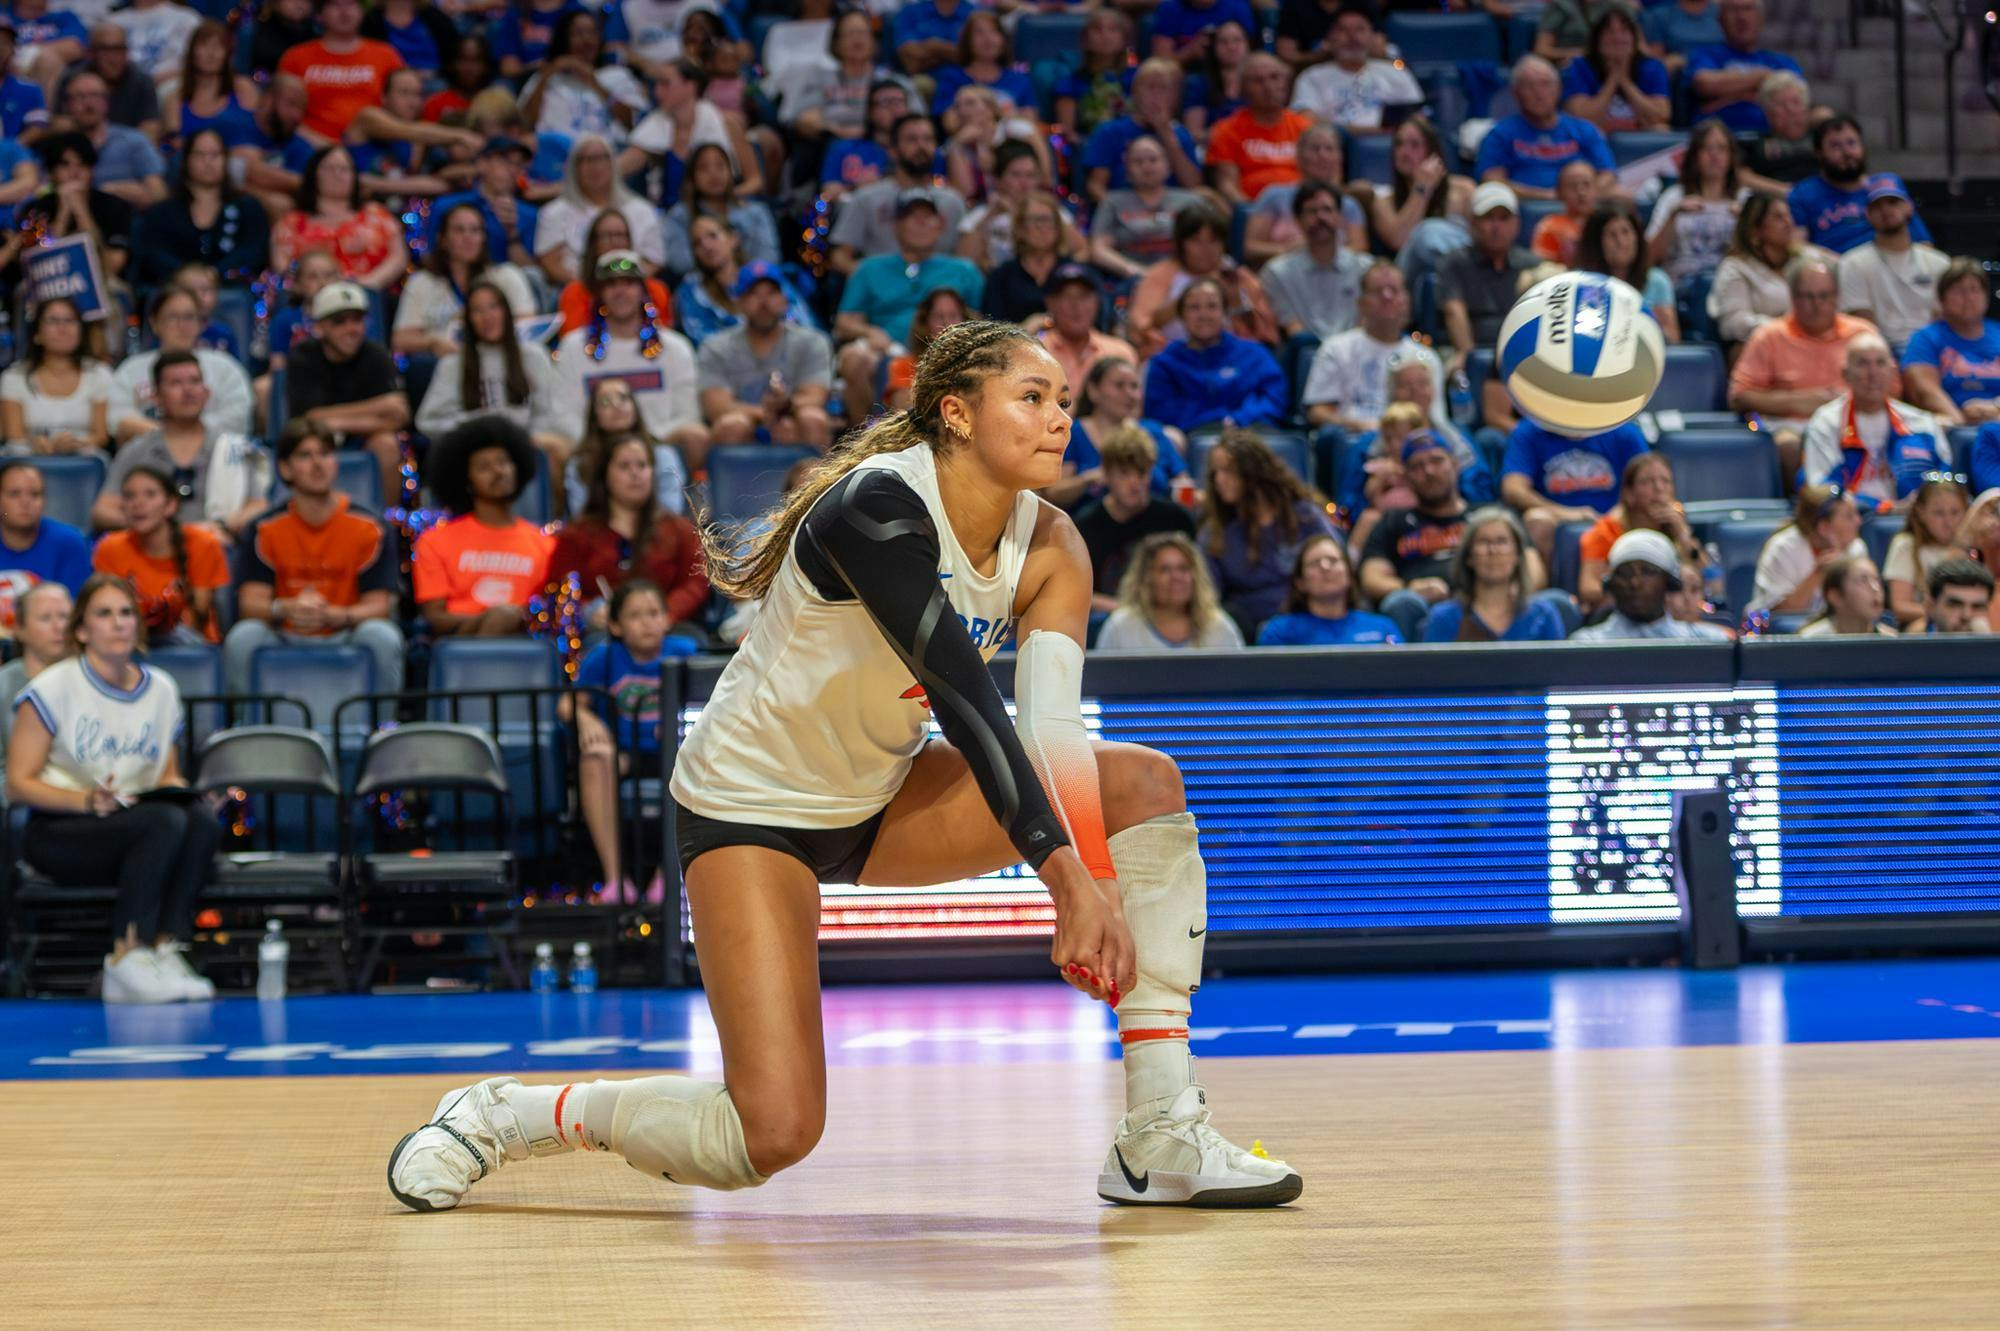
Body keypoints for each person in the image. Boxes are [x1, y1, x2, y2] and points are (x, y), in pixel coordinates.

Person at [386, 319, 1300, 1212]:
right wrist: (1067, 883)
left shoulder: (1054, 542)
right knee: (771, 1133)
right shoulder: (874, 505)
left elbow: (1053, 737)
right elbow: (966, 698)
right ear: (954, 413)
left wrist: (1095, 874)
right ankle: (504, 1113)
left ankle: (1159, 1132)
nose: (1060, 417)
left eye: (1062, 399)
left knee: (1140, 782)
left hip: (881, 794)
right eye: (1031, 396)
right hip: (751, 806)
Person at [6, 574, 220, 1005]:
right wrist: (87, 800)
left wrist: (187, 793)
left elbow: (166, 774)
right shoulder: (50, 689)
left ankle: (165, 948)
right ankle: (127, 956)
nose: (119, 623)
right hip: (62, 830)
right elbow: (17, 784)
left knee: (200, 820)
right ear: (82, 631)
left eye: (126, 613)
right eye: (104, 614)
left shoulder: (161, 688)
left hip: (137, 823)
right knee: (161, 821)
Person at [223, 419, 405, 694]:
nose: (318, 463)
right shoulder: (264, 528)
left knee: (383, 636)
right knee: (242, 637)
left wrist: (336, 615)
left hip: (345, 630)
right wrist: (285, 609)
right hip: (284, 631)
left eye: (325, 454)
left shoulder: (370, 527)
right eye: (305, 455)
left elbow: (379, 606)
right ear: (285, 468)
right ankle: (249, 730)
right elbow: (250, 604)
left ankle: (381, 729)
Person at [567, 578, 683, 897]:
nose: (647, 622)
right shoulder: (603, 657)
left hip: (672, 753)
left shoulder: (685, 652)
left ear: (667, 619)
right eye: (635, 615)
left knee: (694, 760)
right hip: (625, 753)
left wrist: (677, 722)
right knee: (594, 758)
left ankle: (668, 877)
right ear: (616, 626)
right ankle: (616, 879)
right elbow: (568, 704)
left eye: (654, 613)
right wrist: (586, 719)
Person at [1729, 255, 1887, 479]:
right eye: (1808, 296)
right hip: (1791, 424)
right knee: (1788, 445)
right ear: (1793, 297)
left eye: (1824, 296)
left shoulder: (1862, 333)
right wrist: (1801, 401)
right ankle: (1806, 507)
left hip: (1855, 420)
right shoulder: (1769, 335)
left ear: (1837, 297)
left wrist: (1845, 402)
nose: (1817, 304)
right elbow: (1739, 396)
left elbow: (1893, 388)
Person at [833, 190, 985, 418]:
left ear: (941, 225)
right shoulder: (869, 269)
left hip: (947, 350)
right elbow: (844, 322)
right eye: (912, 217)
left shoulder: (964, 270)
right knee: (854, 358)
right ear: (896, 226)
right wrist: (870, 332)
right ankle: (865, 439)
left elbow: (983, 321)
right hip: (887, 350)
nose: (921, 223)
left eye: (928, 217)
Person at [554, 250, 710, 469]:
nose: (620, 291)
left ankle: (687, 501)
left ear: (642, 291)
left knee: (696, 434)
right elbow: (563, 414)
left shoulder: (674, 347)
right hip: (593, 450)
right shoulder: (573, 347)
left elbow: (687, 414)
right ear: (600, 293)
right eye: (611, 284)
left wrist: (643, 442)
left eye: (628, 283)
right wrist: (603, 443)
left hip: (659, 447)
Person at [550, 436, 709, 641]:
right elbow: (557, 589)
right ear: (605, 475)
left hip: (667, 629)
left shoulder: (679, 530)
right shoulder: (577, 534)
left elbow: (696, 583)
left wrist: (662, 615)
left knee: (692, 643)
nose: (635, 473)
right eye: (624, 466)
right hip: (605, 632)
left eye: (642, 465)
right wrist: (589, 609)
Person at [98, 353, 270, 543]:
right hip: (154, 552)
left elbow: (259, 505)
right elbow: (103, 511)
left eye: (195, 382)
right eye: (175, 383)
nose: (188, 391)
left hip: (219, 548)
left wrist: (223, 526)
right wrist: (153, 527)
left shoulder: (233, 448)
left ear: (206, 393)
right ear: (155, 397)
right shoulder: (137, 450)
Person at [415, 277, 570, 481]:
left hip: (526, 444)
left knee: (555, 448)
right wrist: (479, 429)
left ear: (506, 312)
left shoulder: (533, 355)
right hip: (474, 449)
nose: (487, 317)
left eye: (493, 307)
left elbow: (551, 412)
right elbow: (428, 420)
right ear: (469, 320)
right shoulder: (453, 364)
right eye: (478, 311)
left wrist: (522, 439)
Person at [413, 417, 555, 639]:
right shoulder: (435, 541)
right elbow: (435, 618)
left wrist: (508, 620)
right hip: (459, 644)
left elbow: (547, 615)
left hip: (524, 646)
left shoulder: (545, 544)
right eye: (484, 467)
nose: (498, 471)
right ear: (466, 482)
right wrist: (492, 619)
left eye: (504, 462)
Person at [1200, 429, 1338, 636]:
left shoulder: (1304, 516)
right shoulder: (1216, 532)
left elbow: (1337, 559)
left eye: (1227, 470)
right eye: (1215, 473)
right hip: (1248, 628)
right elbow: (1206, 595)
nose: (1219, 479)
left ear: (1253, 473)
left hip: (1307, 618)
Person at [1799, 332, 1946, 513]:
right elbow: (1822, 491)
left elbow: (1945, 484)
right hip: (1849, 524)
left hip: (1916, 523)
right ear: (1845, 374)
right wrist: (1888, 507)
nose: (1873, 373)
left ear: (1893, 372)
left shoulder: (1922, 423)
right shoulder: (1826, 423)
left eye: (1880, 363)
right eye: (1862, 363)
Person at [698, 262, 836, 450]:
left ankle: (821, 479)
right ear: (738, 303)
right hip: (746, 427)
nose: (763, 302)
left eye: (771, 292)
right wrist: (767, 416)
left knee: (813, 418)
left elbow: (815, 397)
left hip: (794, 423)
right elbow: (717, 407)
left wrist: (787, 405)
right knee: (731, 425)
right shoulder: (715, 347)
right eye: (754, 293)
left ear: (785, 300)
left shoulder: (812, 342)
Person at [90, 465, 228, 644]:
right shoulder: (109, 547)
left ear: (171, 505)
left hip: (188, 644)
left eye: (150, 494)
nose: (138, 503)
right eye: (130, 496)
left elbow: (196, 617)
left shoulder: (203, 544)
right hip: (128, 639)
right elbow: (107, 610)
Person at [1126, 204, 1279, 360]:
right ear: (1181, 244)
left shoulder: (1238, 277)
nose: (1205, 248)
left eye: (1213, 240)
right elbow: (1140, 328)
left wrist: (1236, 302)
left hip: (1232, 360)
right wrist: (1189, 297)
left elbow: (1263, 334)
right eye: (1195, 240)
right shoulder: (1159, 275)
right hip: (1173, 359)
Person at [1440, 183, 1537, 424]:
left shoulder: (1533, 264)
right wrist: (1466, 351)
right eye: (1488, 218)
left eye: (1504, 218)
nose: (1497, 226)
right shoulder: (1455, 263)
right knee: (1458, 369)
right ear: (1472, 223)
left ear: (1517, 223)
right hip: (1471, 347)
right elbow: (1454, 310)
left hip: (1522, 352)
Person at [1073, 428, 1197, 613]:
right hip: (1108, 619)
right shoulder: (1084, 527)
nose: (1134, 483)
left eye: (1141, 473)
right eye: (1124, 473)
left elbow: (1197, 581)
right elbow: (1075, 593)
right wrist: (1128, 612)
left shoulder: (1176, 520)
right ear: (1106, 474)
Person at [394, 202, 539, 360]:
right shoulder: (422, 282)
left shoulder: (506, 276)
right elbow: (400, 340)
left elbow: (527, 327)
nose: (468, 237)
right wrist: (433, 343)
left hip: (498, 359)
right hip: (442, 361)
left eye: (475, 230)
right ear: (442, 239)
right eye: (459, 230)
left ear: (483, 238)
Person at [826, 116, 968, 277]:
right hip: (882, 294)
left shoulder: (953, 201)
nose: (921, 146)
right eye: (911, 140)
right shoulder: (866, 198)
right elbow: (839, 256)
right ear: (893, 150)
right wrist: (872, 280)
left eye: (928, 139)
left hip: (939, 291)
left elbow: (965, 260)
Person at [110, 288, 254, 444]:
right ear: (155, 323)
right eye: (173, 317)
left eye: (189, 317)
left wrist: (186, 432)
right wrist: (165, 434)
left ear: (201, 323)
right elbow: (115, 418)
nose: (182, 325)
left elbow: (239, 417)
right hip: (149, 454)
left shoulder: (225, 366)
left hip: (212, 452)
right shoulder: (131, 369)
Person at [1358, 433, 1475, 626]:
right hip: (1420, 610)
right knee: (1401, 602)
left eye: (1437, 461)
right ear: (1405, 477)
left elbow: (1531, 567)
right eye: (1416, 466)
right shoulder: (1393, 521)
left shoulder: (1485, 517)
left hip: (1478, 604)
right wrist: (1410, 588)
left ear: (1455, 464)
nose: (1428, 471)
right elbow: (1372, 578)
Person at [1142, 281, 1288, 435]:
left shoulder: (1255, 354)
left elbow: (1273, 397)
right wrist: (1215, 421)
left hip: (1252, 431)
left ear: (1225, 313)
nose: (1203, 315)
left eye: (1212, 306)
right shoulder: (1165, 362)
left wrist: (1240, 418)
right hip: (1192, 437)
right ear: (1181, 316)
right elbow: (1160, 410)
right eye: (1194, 307)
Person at [135, 128, 271, 290]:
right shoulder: (162, 212)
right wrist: (185, 275)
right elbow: (153, 253)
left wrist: (214, 273)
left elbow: (254, 251)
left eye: (215, 155)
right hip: (174, 290)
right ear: (185, 160)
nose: (208, 161)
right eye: (200, 155)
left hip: (231, 291)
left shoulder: (248, 207)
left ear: (225, 160)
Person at [1501, 414, 1651, 557]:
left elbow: (1649, 481)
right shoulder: (1529, 430)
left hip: (1616, 516)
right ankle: (1548, 584)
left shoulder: (1624, 431)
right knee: (1537, 520)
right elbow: (1513, 489)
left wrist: (1613, 517)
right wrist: (1565, 513)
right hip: (1557, 517)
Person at [1049, 357, 1190, 508]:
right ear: (1093, 390)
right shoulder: (1073, 433)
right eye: (1119, 385)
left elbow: (1184, 485)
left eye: (1134, 386)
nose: (1129, 394)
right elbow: (1054, 493)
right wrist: (1089, 478)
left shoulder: (1153, 432)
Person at [1474, 56, 1616, 201]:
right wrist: (1545, 196)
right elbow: (1492, 181)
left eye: (1545, 84)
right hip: (1524, 207)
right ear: (1516, 93)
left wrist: (1581, 195)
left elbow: (1608, 174)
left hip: (1581, 203)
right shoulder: (1500, 134)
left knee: (1622, 197)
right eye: (1529, 86)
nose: (1539, 93)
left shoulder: (1584, 130)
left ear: (1559, 89)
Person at [269, 145, 410, 292]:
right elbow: (282, 265)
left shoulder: (376, 213)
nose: (338, 174)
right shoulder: (292, 222)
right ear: (313, 174)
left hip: (365, 293)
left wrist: (368, 283)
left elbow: (398, 257)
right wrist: (308, 287)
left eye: (345, 169)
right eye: (329, 168)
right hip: (308, 295)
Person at [535, 134, 667, 287]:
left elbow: (654, 260)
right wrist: (591, 286)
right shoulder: (553, 213)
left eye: (601, 158)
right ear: (573, 167)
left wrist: (623, 284)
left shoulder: (642, 210)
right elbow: (550, 263)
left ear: (613, 163)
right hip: (576, 290)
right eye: (586, 160)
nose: (595, 166)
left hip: (634, 292)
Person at [1788, 116, 1931, 256]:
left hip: (1888, 263)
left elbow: (1924, 244)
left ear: (1862, 146)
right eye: (1835, 146)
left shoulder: (1885, 187)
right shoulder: (1803, 193)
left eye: (1851, 143)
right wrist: (1841, 265)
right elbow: (1796, 246)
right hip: (1831, 268)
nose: (1846, 152)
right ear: (1819, 153)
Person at [1836, 181, 1948, 356]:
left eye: (1893, 202)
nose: (1886, 210)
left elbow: (1944, 317)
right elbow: (1862, 322)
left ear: (1909, 207)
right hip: (1881, 352)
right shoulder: (1852, 263)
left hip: (1932, 351)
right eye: (1877, 206)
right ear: (1867, 214)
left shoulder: (1940, 263)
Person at [1303, 260, 1418, 433]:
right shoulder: (1336, 348)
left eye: (1394, 290)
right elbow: (1317, 412)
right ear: (1361, 304)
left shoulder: (1424, 357)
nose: (1387, 297)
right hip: (1353, 438)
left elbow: (1431, 417)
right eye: (1378, 291)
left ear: (1407, 302)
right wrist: (1357, 425)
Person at [1423, 507, 1568, 642]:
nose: (1493, 551)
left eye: (1502, 541)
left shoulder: (1543, 615)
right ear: (1468, 557)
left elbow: (1558, 669)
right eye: (1484, 542)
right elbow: (1431, 669)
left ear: (1517, 555)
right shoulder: (1444, 617)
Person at [1080, 58, 1205, 206]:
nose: (1156, 96)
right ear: (1135, 93)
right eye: (1150, 87)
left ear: (1173, 97)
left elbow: (1192, 185)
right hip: (1124, 208)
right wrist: (1117, 211)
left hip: (1170, 213)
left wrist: (1166, 134)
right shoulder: (1110, 131)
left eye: (1163, 89)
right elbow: (1095, 186)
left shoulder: (1180, 134)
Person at [12, 133, 133, 284]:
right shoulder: (34, 210)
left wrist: (81, 211)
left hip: (103, 283)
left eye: (82, 164)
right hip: (48, 285)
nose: (74, 173)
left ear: (92, 170)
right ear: (51, 173)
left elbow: (112, 268)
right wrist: (63, 213)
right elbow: (35, 267)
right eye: (64, 165)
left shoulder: (115, 206)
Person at [563, 379, 690, 521]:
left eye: (623, 398)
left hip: (658, 537)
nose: (616, 406)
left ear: (634, 408)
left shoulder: (663, 456)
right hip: (599, 540)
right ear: (595, 415)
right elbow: (582, 519)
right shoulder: (580, 463)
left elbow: (671, 512)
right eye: (605, 401)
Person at [1096, 530, 1246, 651]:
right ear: (1147, 577)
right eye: (1164, 570)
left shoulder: (1219, 626)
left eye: (1183, 568)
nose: (1176, 577)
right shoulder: (1120, 627)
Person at [0, 300, 114, 458]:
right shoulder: (14, 376)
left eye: (70, 320)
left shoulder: (100, 374)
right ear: (36, 334)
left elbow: (101, 436)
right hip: (27, 457)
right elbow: (13, 435)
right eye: (53, 321)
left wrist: (75, 444)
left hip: (83, 458)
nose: (63, 328)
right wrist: (35, 443)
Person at [279, 0, 405, 143]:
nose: (344, 11)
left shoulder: (386, 55)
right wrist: (321, 144)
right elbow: (283, 112)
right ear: (319, 15)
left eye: (351, 4)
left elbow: (404, 106)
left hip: (373, 144)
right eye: (335, 5)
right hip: (311, 145)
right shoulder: (295, 57)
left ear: (362, 11)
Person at [1244, 123, 1370, 265]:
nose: (1322, 155)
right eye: (1315, 148)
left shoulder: (1349, 204)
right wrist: (1287, 251)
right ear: (1298, 155)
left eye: (1329, 149)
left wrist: (1321, 252)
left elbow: (1359, 249)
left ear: (1340, 158)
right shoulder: (1274, 195)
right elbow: (1250, 247)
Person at [1573, 529, 1732, 640]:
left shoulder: (1708, 642)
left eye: (1648, 572)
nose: (1635, 583)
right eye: (1625, 573)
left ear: (1669, 582)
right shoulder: (1585, 644)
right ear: (1611, 583)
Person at [1263, 182, 1372, 342]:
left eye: (1327, 210)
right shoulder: (1277, 273)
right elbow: (1293, 329)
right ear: (1298, 220)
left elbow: (1366, 323)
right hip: (1306, 354)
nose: (1320, 217)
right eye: (1312, 211)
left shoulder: (1365, 268)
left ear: (1339, 217)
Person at [520, 10, 647, 147]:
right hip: (554, 155)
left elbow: (634, 123)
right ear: (563, 39)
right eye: (578, 33)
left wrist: (594, 82)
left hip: (609, 154)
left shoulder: (618, 75)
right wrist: (548, 73)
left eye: (592, 32)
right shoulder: (545, 78)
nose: (586, 40)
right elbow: (525, 124)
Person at [1647, 121, 1748, 287]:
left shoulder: (1744, 199)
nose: (1714, 155)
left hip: (1732, 285)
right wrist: (1673, 216)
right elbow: (1648, 257)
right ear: (1694, 156)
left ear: (1731, 156)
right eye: (1706, 148)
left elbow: (1761, 256)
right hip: (1681, 286)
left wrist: (1745, 222)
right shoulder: (1674, 197)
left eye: (1721, 148)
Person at [1290, 6, 1422, 132]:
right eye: (1343, 30)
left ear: (1372, 37)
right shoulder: (1311, 76)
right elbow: (1304, 121)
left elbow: (1418, 119)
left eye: (1360, 29)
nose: (1352, 36)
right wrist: (1366, 132)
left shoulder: (1397, 73)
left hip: (1391, 148)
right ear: (1329, 38)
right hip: (1332, 149)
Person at [1901, 258, 2000, 427]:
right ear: (1942, 298)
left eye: (1974, 290)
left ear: (1986, 296)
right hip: (1951, 425)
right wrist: (1959, 421)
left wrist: (1996, 408)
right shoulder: (1925, 338)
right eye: (1958, 291)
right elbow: (1925, 390)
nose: (1968, 298)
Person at [1577, 453, 1681, 613]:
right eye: (1647, 481)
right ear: (1629, 494)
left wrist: (1683, 536)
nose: (1659, 488)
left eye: (1665, 481)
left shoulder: (1677, 525)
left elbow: (1709, 583)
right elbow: (1589, 588)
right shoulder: (1606, 531)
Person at [1254, 534, 1401, 646]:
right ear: (1300, 583)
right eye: (1314, 563)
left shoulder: (1383, 627)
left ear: (1350, 575)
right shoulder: (1279, 632)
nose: (1325, 567)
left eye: (1333, 560)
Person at [1369, 116, 1476, 269]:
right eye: (1399, 144)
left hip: (1460, 272)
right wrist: (1421, 189)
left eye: (1414, 145)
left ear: (1432, 152)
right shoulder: (1383, 202)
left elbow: (1480, 239)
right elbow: (1399, 241)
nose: (1405, 152)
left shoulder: (1464, 189)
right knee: (1427, 231)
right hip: (1411, 275)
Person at [1206, 54, 1312, 206]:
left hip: (1301, 208)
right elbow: (1226, 184)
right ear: (1243, 88)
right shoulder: (1227, 129)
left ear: (1286, 82)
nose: (1268, 86)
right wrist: (1254, 213)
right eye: (1257, 80)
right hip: (1250, 209)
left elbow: (1321, 179)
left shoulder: (1306, 128)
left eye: (1274, 77)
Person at [662, 142, 780, 276]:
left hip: (753, 286)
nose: (714, 174)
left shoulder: (755, 211)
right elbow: (680, 262)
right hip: (704, 286)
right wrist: (721, 266)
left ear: (731, 172)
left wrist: (739, 276)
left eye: (720, 166)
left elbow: (770, 258)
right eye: (703, 168)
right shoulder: (679, 216)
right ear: (692, 177)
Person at [1747, 482, 1867, 615]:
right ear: (1824, 527)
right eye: (1849, 516)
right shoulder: (1782, 548)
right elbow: (1781, 615)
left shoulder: (1856, 548)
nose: (1859, 521)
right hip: (1769, 631)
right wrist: (1818, 572)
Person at [556, 208, 678, 337]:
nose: (614, 242)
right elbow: (573, 341)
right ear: (593, 244)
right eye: (606, 236)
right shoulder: (574, 293)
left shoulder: (656, 291)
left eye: (620, 235)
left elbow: (662, 340)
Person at [1686, 0, 1802, 133]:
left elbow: (1798, 103)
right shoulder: (1704, 55)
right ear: (1720, 19)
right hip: (1719, 142)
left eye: (1748, 9)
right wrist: (1761, 78)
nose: (1741, 17)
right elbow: (1705, 84)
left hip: (1772, 142)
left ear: (1761, 18)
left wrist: (1725, 97)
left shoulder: (1782, 62)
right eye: (1733, 10)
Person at [55, 69, 166, 207]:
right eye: (80, 96)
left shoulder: (134, 141)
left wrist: (112, 191)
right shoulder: (56, 145)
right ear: (66, 105)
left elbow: (159, 195)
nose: (89, 104)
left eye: (96, 96)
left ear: (107, 103)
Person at [976, 189, 1087, 325]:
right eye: (1034, 220)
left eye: (1046, 220)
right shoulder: (1001, 276)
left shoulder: (1076, 273)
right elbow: (992, 329)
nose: (1041, 227)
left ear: (1057, 228)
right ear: (1020, 229)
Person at [0, 462, 90, 629]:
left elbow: (74, 615)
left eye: (35, 494)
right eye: (14, 494)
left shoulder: (69, 542)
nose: (25, 502)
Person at [429, 136, 539, 269]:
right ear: (481, 164)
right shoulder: (446, 206)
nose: (512, 170)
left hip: (505, 285)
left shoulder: (531, 215)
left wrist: (512, 234)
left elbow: (530, 274)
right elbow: (429, 256)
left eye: (518, 164)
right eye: (504, 161)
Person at [1576, 200, 1680, 341]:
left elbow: (1673, 339)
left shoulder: (1657, 281)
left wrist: (1653, 323)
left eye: (1626, 232)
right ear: (1596, 243)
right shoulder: (1581, 283)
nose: (1622, 242)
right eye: (1612, 235)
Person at [1035, 265, 1139, 405]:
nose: (1075, 305)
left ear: (1097, 301)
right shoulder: (1036, 351)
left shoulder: (1120, 352)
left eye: (1084, 296)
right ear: (1050, 302)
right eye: (1066, 296)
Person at [1710, 190, 1800, 347]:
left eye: (1788, 215)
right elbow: (1733, 323)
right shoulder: (1735, 268)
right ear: (1755, 229)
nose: (1788, 222)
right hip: (1760, 348)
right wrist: (1785, 328)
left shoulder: (1803, 260)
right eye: (1778, 217)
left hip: (1806, 344)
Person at [1560, 8, 1670, 134]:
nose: (1617, 38)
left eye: (1624, 31)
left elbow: (1661, 116)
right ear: (1597, 40)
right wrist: (1613, 78)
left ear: (1634, 39)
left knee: (1661, 130)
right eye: (1609, 32)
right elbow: (1581, 117)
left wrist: (1624, 81)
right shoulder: (1580, 66)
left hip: (1640, 137)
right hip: (1597, 138)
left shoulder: (1652, 66)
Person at [1881, 474, 1969, 626]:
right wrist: (1948, 616)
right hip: (1924, 630)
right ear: (1921, 513)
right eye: (1938, 513)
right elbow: (1900, 607)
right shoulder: (1906, 544)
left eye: (1955, 512)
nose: (1948, 522)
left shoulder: (1973, 546)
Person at [0, 582, 72, 749]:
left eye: (64, 616)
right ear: (19, 629)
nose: (58, 627)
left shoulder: (94, 678)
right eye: (45, 618)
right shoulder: (3, 685)